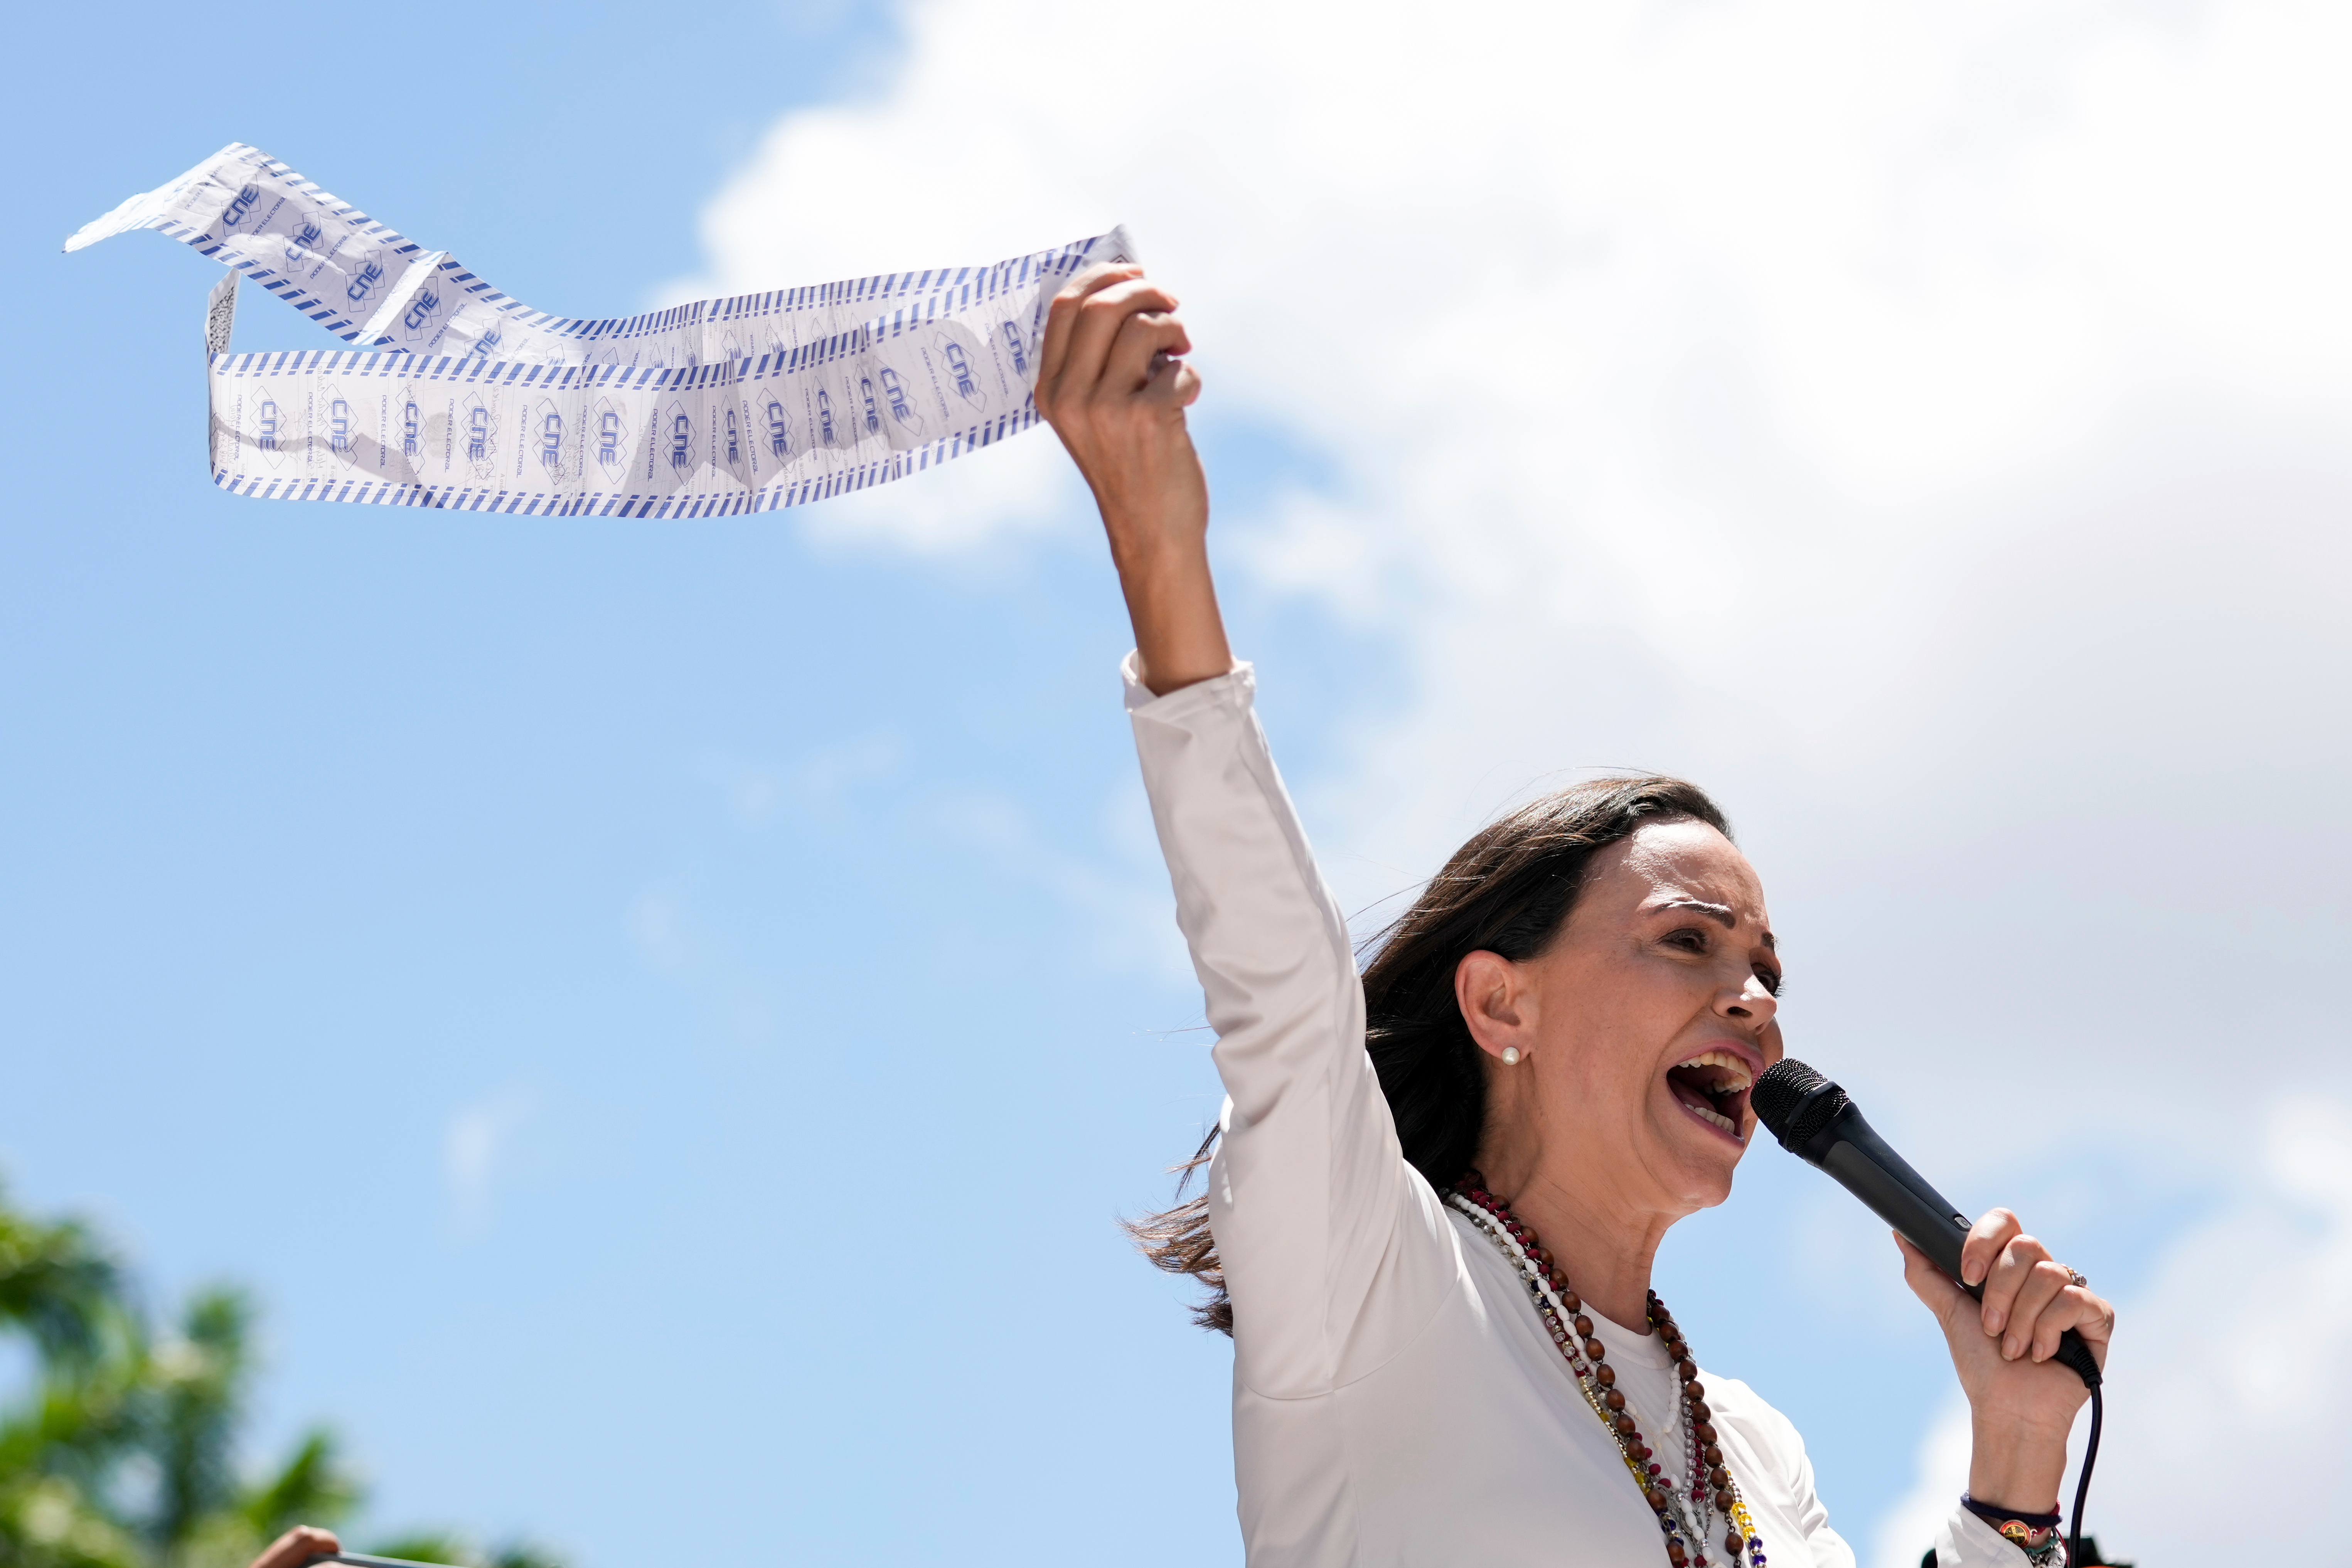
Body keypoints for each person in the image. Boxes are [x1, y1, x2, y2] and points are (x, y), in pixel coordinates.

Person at [1031, 263, 2116, 1568]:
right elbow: (1277, 989)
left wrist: (2014, 1458)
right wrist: (1158, 542)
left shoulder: (1749, 1444)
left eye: (1766, 964)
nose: (1756, 998)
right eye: (1686, 938)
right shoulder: (1370, 1280)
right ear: (1500, 1001)